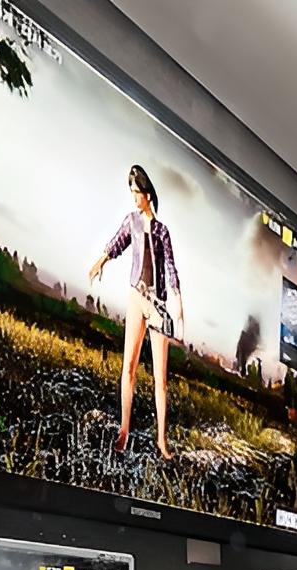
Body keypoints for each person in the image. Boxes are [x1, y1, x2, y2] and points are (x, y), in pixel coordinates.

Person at [88, 164, 184, 459]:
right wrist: (100, 262)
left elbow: (170, 267)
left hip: (158, 305)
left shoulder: (162, 231)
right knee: (128, 367)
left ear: (147, 194)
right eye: (131, 192)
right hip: (136, 298)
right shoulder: (131, 221)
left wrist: (178, 300)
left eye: (136, 193)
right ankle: (124, 431)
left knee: (160, 379)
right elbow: (117, 243)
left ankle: (162, 441)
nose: (133, 198)